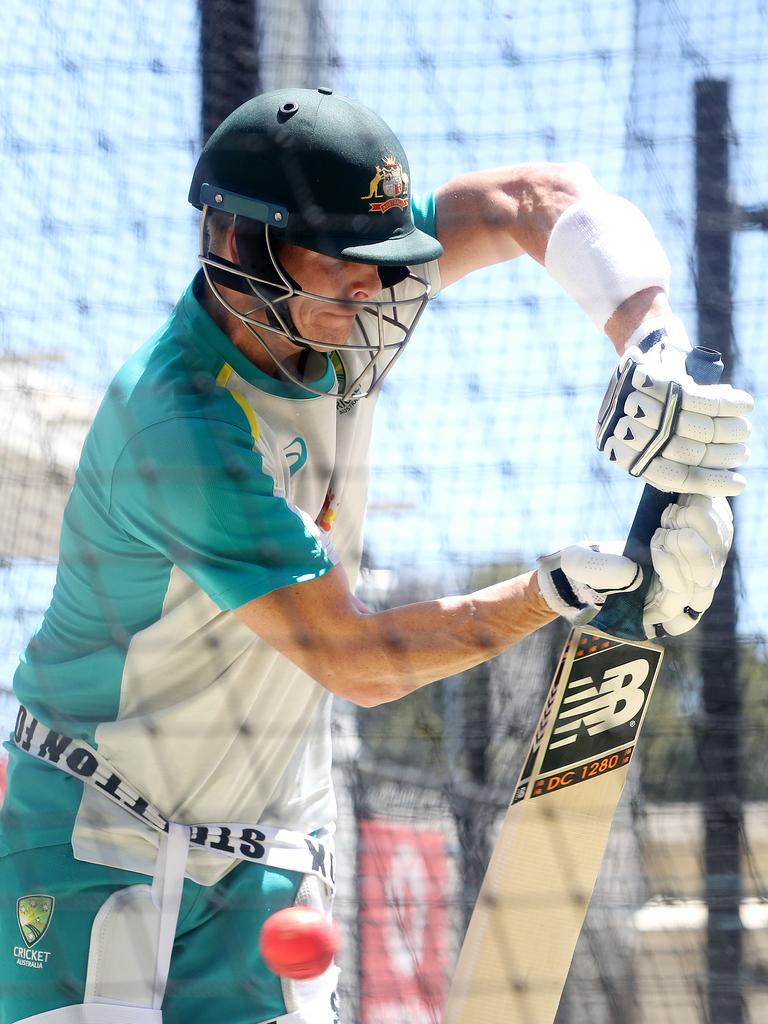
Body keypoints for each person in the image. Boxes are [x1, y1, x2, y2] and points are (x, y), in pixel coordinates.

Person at [0, 87, 752, 1024]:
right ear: (238, 245)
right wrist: (544, 594)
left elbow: (533, 196)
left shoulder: (339, 311)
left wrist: (656, 347)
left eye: (381, 260)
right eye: (345, 262)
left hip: (265, 858)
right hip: (89, 841)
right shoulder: (180, 421)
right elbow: (353, 659)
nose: (375, 288)